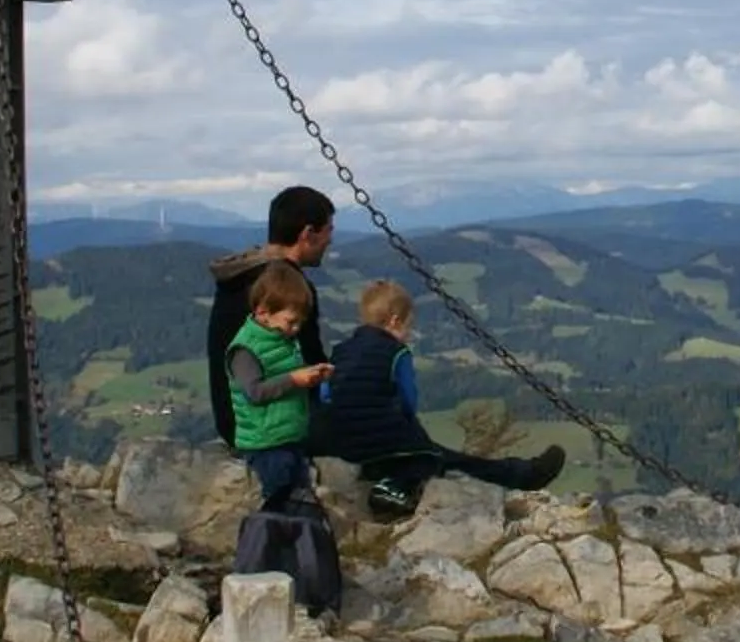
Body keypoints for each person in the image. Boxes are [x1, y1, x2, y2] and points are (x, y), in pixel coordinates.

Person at [316, 278, 568, 518]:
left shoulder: (341, 351)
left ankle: (386, 478)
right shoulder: (396, 353)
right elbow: (408, 400)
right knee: (439, 459)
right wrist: (409, 434)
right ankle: (524, 475)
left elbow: (326, 394)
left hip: (337, 441)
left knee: (405, 457)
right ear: (394, 321)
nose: (409, 334)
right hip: (383, 439)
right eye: (408, 326)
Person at [207, 185, 335, 448]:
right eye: (328, 231)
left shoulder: (240, 276)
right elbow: (311, 362)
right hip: (267, 426)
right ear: (307, 234)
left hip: (232, 419)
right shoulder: (288, 289)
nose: (330, 241)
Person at [225, 261, 334, 508]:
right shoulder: (245, 349)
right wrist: (295, 379)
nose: (295, 329)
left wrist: (312, 377)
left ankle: (299, 536)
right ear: (264, 312)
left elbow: (285, 377)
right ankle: (272, 537)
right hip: (265, 443)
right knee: (279, 497)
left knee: (301, 495)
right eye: (290, 321)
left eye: (299, 323)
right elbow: (255, 392)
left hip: (289, 436)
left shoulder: (280, 340)